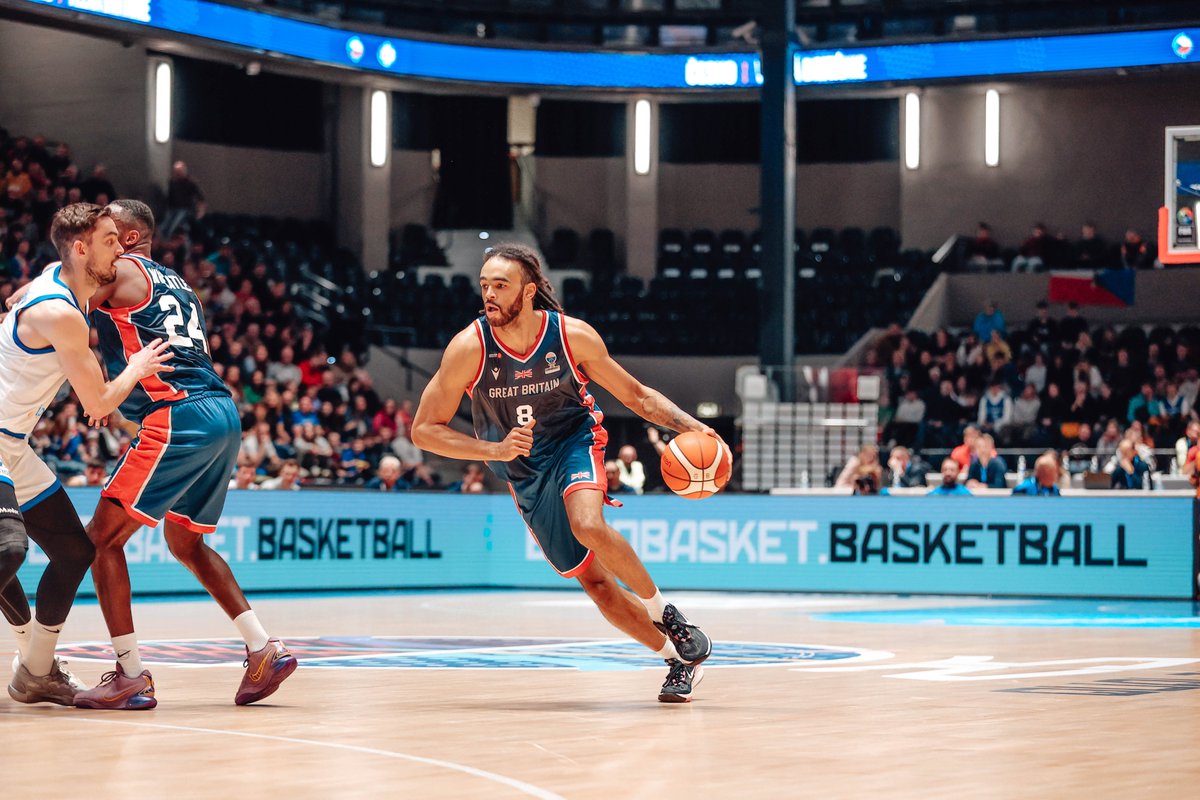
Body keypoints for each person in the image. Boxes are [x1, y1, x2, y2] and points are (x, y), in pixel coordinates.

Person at [411, 243, 722, 703]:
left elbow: (637, 397)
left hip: (575, 440)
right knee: (598, 588)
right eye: (484, 286)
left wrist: (697, 428)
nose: (489, 295)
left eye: (501, 285)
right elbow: (423, 431)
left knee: (588, 522)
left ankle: (667, 613)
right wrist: (493, 449)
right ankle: (676, 660)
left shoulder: (572, 336)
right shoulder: (468, 348)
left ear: (529, 291)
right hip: (522, 468)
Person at [70, 200, 297, 709]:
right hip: (220, 411)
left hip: (179, 414)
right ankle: (263, 649)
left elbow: (65, 298)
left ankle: (130, 674)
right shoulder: (179, 284)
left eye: (106, 227)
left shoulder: (123, 269)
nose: (97, 233)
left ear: (126, 238)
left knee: (100, 541)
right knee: (185, 543)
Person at [0, 202, 173, 705]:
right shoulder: (59, 311)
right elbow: (98, 405)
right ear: (81, 248)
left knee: (76, 551)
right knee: (8, 549)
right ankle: (31, 655)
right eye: (108, 240)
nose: (121, 246)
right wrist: (137, 366)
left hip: (12, 443)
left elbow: (26, 293)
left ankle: (35, 671)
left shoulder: (57, 282)